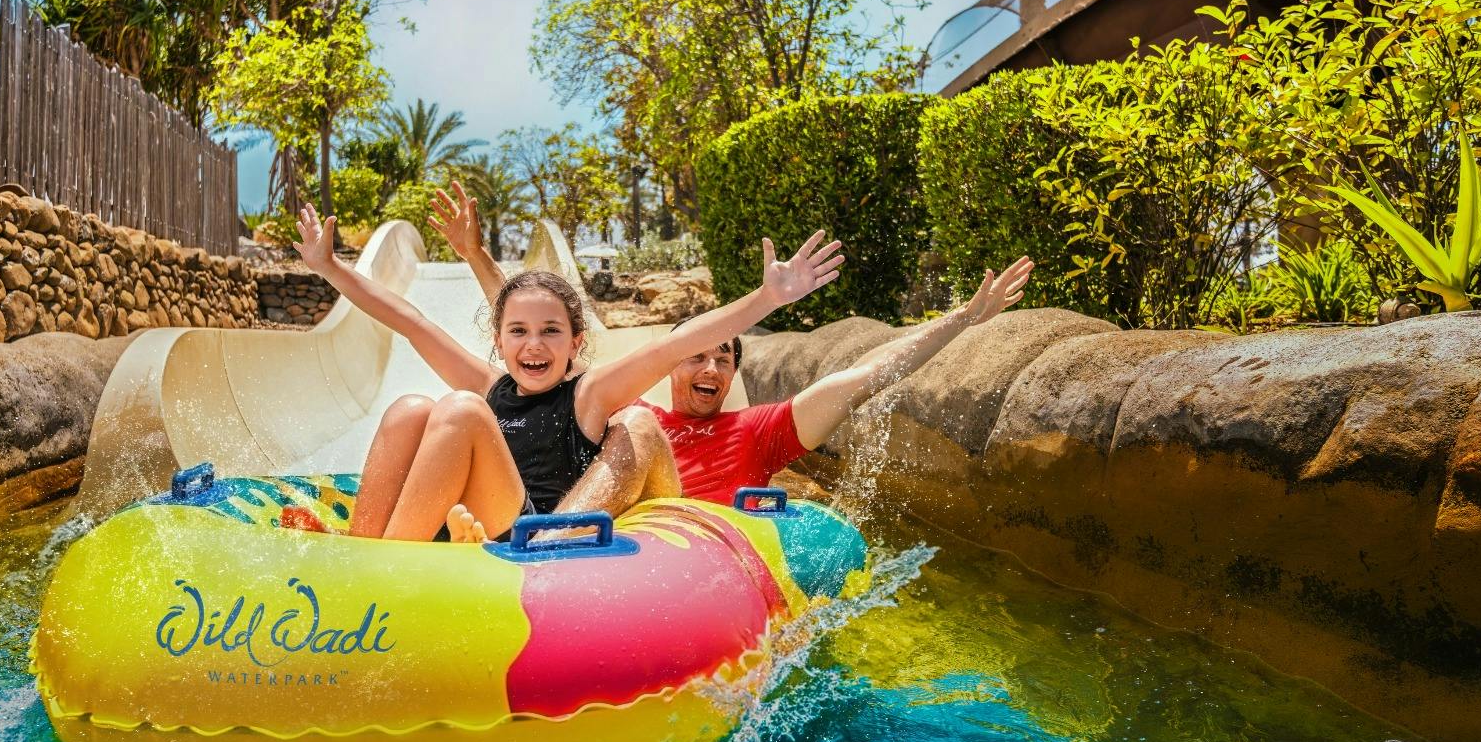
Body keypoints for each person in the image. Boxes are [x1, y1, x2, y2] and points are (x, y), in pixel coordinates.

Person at [431, 180, 1034, 504]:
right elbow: (535, 349)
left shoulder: (758, 431)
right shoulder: (630, 416)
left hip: (708, 560)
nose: (711, 366)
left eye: (724, 357)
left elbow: (863, 376)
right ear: (670, 367)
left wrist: (962, 320)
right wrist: (476, 256)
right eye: (697, 353)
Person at [295, 201, 844, 542]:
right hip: (483, 512)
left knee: (459, 409)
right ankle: (363, 547)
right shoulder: (492, 386)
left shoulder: (587, 395)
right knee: (411, 408)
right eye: (519, 332)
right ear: (499, 341)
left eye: (551, 331)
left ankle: (393, 567)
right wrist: (330, 267)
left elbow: (678, 344)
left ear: (575, 341)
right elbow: (410, 320)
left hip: (532, 527)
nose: (534, 345)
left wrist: (766, 299)